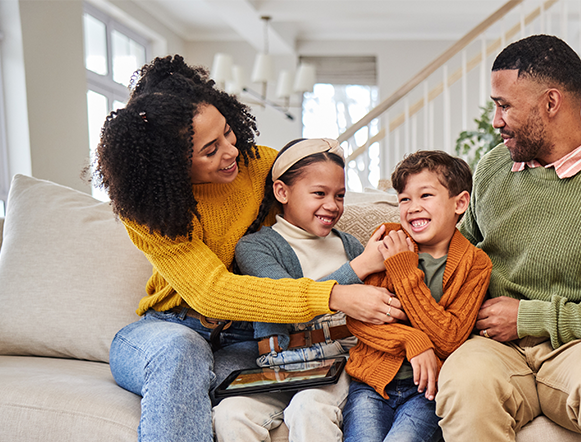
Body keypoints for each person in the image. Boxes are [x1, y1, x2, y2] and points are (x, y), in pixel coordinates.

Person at [91, 55, 404, 442]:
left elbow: (314, 199)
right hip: (168, 330)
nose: (231, 151)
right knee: (181, 355)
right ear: (170, 164)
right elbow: (211, 293)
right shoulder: (148, 209)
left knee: (239, 397)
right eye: (210, 150)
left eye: (227, 132)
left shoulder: (261, 168)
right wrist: (334, 294)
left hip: (242, 341)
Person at [435, 34, 581, 442]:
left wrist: (528, 316)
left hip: (579, 348)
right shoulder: (492, 168)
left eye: (504, 105)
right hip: (493, 348)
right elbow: (457, 256)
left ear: (551, 103)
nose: (495, 121)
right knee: (464, 384)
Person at [212, 137, 388, 441]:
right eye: (319, 193)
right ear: (282, 191)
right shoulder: (255, 246)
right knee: (230, 413)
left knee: (308, 408)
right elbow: (287, 301)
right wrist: (360, 266)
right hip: (280, 366)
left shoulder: (351, 245)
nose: (332, 206)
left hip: (339, 363)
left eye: (340, 195)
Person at [342, 150, 493, 442]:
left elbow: (450, 338)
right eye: (404, 199)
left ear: (460, 203)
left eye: (425, 196)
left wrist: (402, 270)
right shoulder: (388, 240)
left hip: (429, 390)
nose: (412, 207)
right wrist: (412, 339)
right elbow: (358, 319)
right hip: (371, 383)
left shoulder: (475, 263)